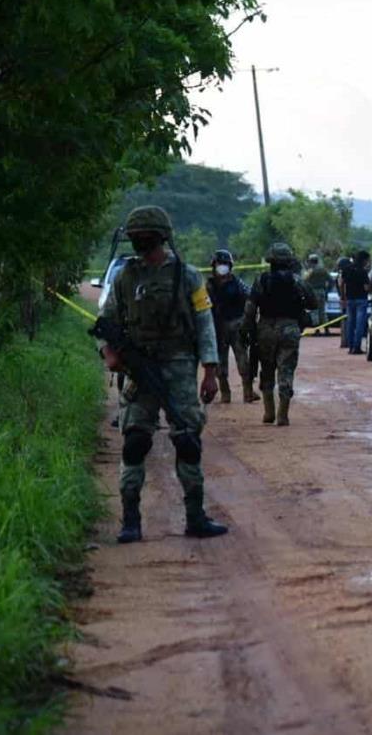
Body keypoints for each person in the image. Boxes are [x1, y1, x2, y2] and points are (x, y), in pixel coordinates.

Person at [97, 205, 228, 543]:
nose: (139, 242)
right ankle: (130, 522)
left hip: (180, 366)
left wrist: (210, 371)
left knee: (187, 440)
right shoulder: (126, 277)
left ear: (160, 237)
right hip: (138, 369)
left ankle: (196, 517)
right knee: (135, 441)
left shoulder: (187, 275)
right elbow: (107, 320)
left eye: (144, 237)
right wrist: (109, 353)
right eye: (135, 237)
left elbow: (204, 323)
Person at [241, 243, 315, 426]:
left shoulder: (261, 280)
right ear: (289, 261)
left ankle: (269, 412)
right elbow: (314, 303)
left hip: (265, 328)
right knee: (286, 369)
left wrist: (246, 331)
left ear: (270, 261)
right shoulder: (297, 280)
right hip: (290, 328)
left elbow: (250, 310)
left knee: (267, 369)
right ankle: (283, 413)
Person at [207, 249, 256, 404]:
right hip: (218, 326)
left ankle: (248, 392)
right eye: (219, 264)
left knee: (243, 359)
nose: (222, 267)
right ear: (214, 266)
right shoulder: (209, 286)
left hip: (236, 324)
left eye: (225, 264)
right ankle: (225, 393)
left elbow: (250, 296)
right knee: (220, 362)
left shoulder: (237, 282)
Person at [342, 250, 371, 354]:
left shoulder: (347, 269)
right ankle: (357, 346)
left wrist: (343, 297)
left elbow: (342, 284)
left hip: (350, 298)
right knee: (360, 324)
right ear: (363, 260)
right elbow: (366, 287)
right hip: (361, 299)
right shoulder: (362, 271)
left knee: (350, 323)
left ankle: (350, 346)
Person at [304, 254, 331, 329]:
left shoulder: (310, 271)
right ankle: (326, 328)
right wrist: (327, 290)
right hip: (322, 291)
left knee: (314, 311)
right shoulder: (323, 270)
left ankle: (317, 329)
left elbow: (304, 282)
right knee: (322, 311)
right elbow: (331, 280)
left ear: (311, 262)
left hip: (313, 292)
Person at [336, 256, 352, 348]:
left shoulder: (341, 274)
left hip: (343, 300)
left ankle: (345, 341)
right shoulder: (342, 275)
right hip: (345, 300)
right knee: (346, 322)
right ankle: (346, 341)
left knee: (345, 322)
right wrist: (343, 298)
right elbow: (342, 287)